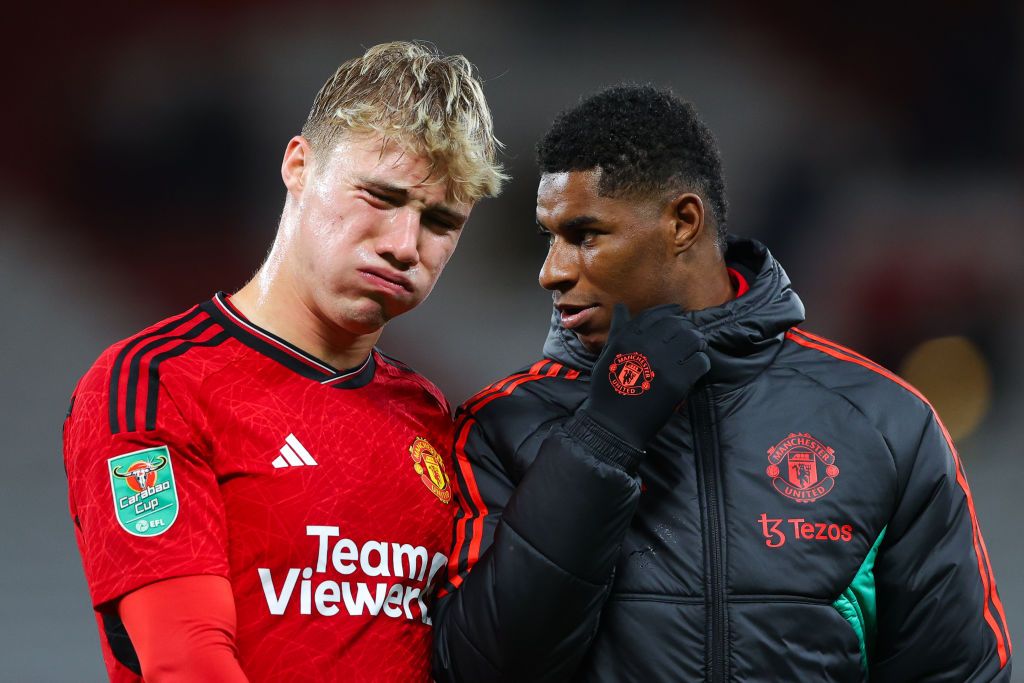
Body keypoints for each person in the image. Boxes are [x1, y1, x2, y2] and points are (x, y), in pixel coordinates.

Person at [432, 86, 1012, 681]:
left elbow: (956, 672)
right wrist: (602, 438)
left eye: (584, 236)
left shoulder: (886, 423)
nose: (551, 271)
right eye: (548, 238)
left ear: (683, 223)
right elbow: (478, 670)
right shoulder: (504, 424)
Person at [63, 41, 505, 682]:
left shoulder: (430, 416)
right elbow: (186, 664)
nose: (405, 246)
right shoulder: (157, 383)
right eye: (380, 197)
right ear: (299, 165)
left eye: (440, 221)